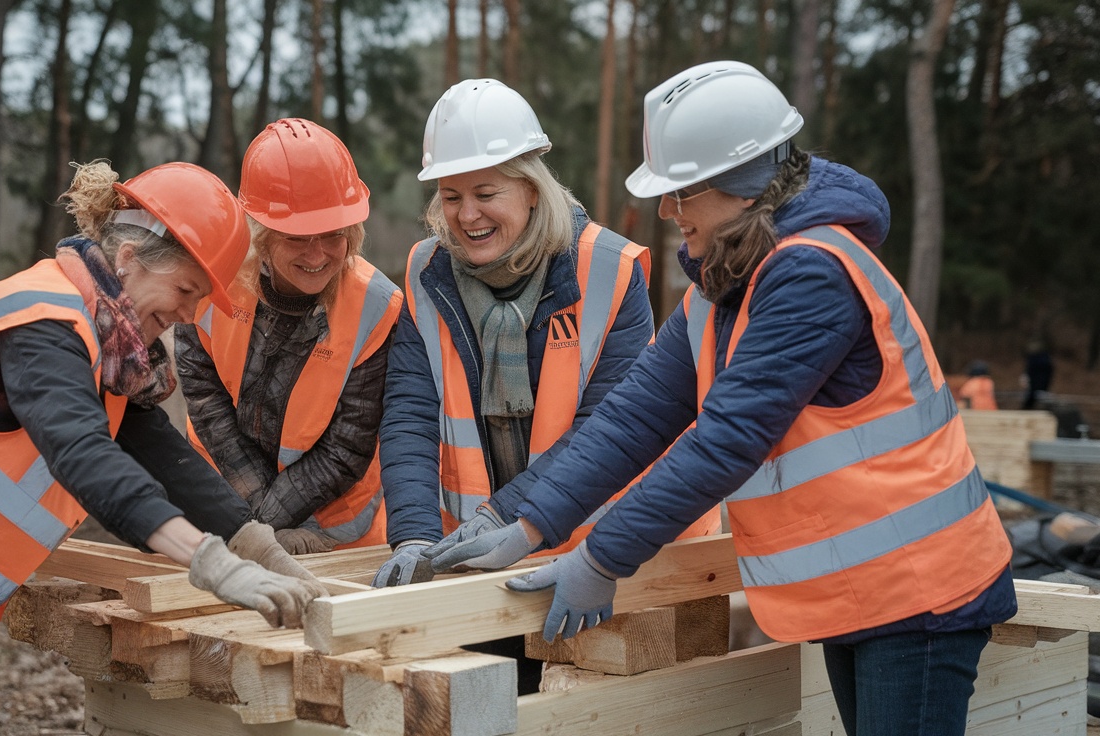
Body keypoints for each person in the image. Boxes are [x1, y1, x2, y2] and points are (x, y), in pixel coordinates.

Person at [431, 62, 1018, 735]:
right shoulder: (726, 283)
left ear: (740, 188)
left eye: (681, 191)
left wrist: (602, 556)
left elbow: (726, 440)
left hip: (919, 589)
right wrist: (526, 520)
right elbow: (637, 414)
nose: (666, 210)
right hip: (863, 589)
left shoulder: (810, 273)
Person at [0, 161, 326, 736]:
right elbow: (83, 456)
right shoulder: (44, 324)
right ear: (128, 262)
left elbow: (164, 459)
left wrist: (261, 551)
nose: (186, 316)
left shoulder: (109, 352)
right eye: (185, 290)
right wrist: (209, 564)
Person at [374, 78, 719, 590]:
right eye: (451, 196)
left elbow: (607, 425)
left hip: (607, 556)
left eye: (486, 193)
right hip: (476, 562)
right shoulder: (428, 273)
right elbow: (409, 412)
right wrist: (415, 536)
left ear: (532, 190)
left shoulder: (608, 270)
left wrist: (507, 516)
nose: (467, 215)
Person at [175, 118, 402, 555]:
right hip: (224, 512)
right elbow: (208, 408)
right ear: (262, 231)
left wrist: (264, 528)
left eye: (333, 235)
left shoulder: (377, 307)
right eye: (298, 238)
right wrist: (255, 526)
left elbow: (347, 446)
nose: (317, 255)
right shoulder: (212, 280)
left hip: (331, 532)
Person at [1022, 339, 1054, 410]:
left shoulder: (1039, 359)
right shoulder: (1044, 359)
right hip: (1039, 385)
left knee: (1035, 398)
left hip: (1037, 385)